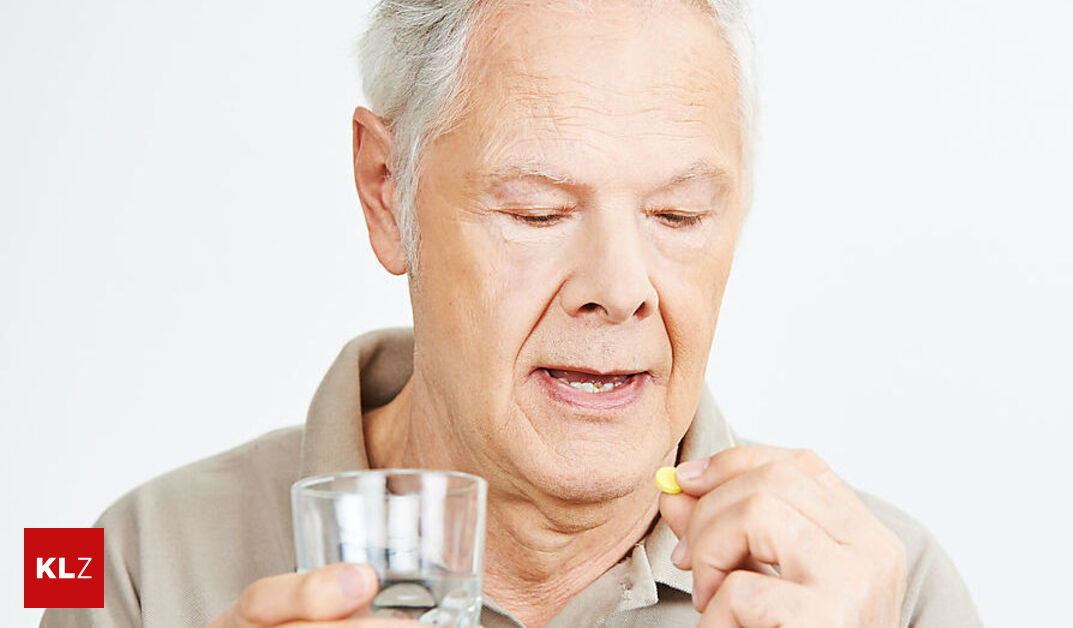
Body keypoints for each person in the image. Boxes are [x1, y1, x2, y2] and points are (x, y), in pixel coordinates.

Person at [42, 1, 982, 626]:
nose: (619, 287)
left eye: (678, 215)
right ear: (385, 191)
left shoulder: (885, 586)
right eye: (537, 211)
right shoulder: (118, 561)